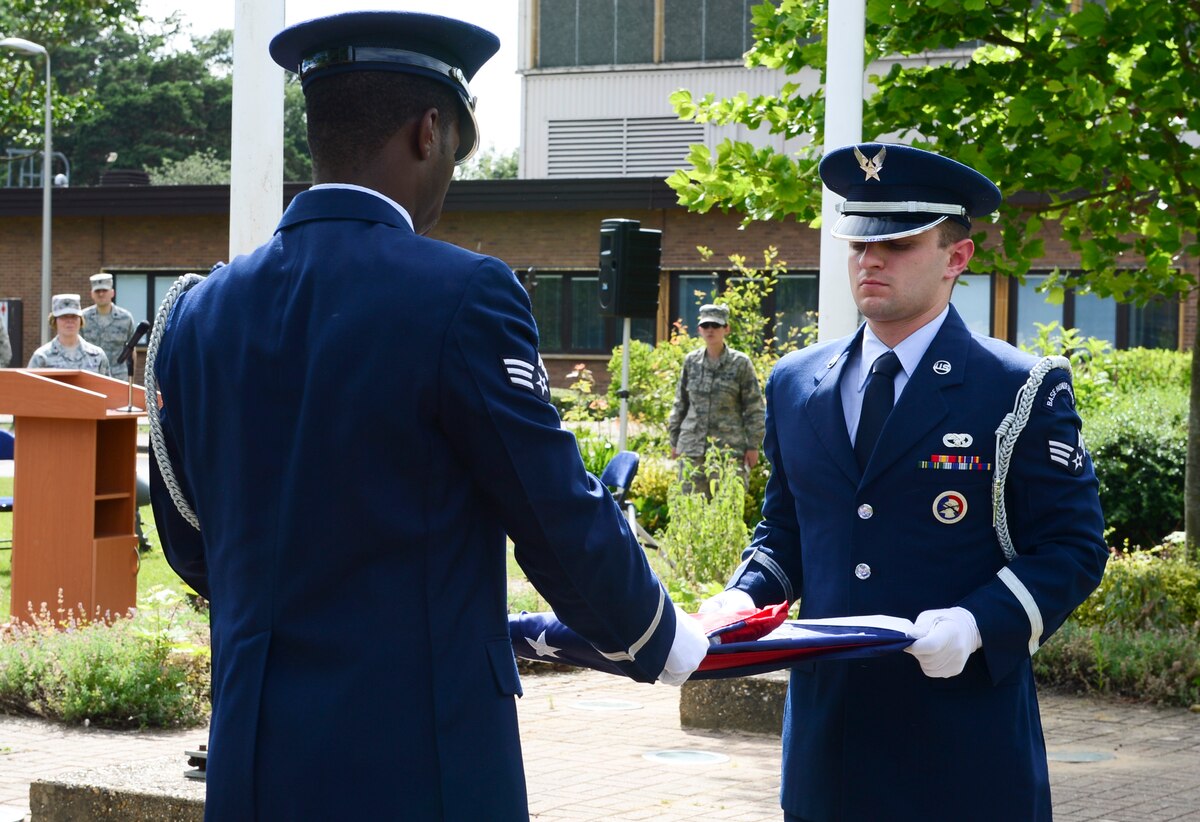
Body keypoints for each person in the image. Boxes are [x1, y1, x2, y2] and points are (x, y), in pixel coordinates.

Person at [147, 11, 708, 821]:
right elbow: (550, 510)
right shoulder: (462, 292)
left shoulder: (198, 310)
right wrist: (656, 636)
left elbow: (190, 544)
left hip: (254, 754)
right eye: (458, 149)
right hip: (416, 756)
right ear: (429, 129)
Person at [700, 143, 1108, 821]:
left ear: (957, 258)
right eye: (859, 244)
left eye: (898, 243)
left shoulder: (1017, 388)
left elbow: (1073, 547)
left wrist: (980, 622)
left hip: (960, 746)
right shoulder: (796, 382)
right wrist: (741, 599)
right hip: (829, 749)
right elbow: (789, 530)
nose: (870, 260)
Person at [668, 303, 765, 491]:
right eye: (706, 326)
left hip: (728, 452)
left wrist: (753, 445)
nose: (710, 330)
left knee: (727, 510)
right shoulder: (691, 362)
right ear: (699, 330)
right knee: (690, 509)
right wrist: (674, 441)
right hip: (692, 450)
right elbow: (680, 403)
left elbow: (754, 408)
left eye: (716, 325)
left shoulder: (740, 363)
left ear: (726, 328)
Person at [27, 294, 111, 375]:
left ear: (80, 320)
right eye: (64, 317)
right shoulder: (42, 357)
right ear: (54, 321)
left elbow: (107, 387)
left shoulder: (97, 356)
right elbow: (29, 387)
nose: (70, 321)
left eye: (74, 316)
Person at [81, 273, 136, 380]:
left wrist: (131, 381)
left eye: (104, 290)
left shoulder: (125, 318)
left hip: (119, 377)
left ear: (112, 293)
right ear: (91, 294)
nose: (101, 294)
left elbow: (131, 350)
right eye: (97, 291)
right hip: (92, 374)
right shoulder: (83, 318)